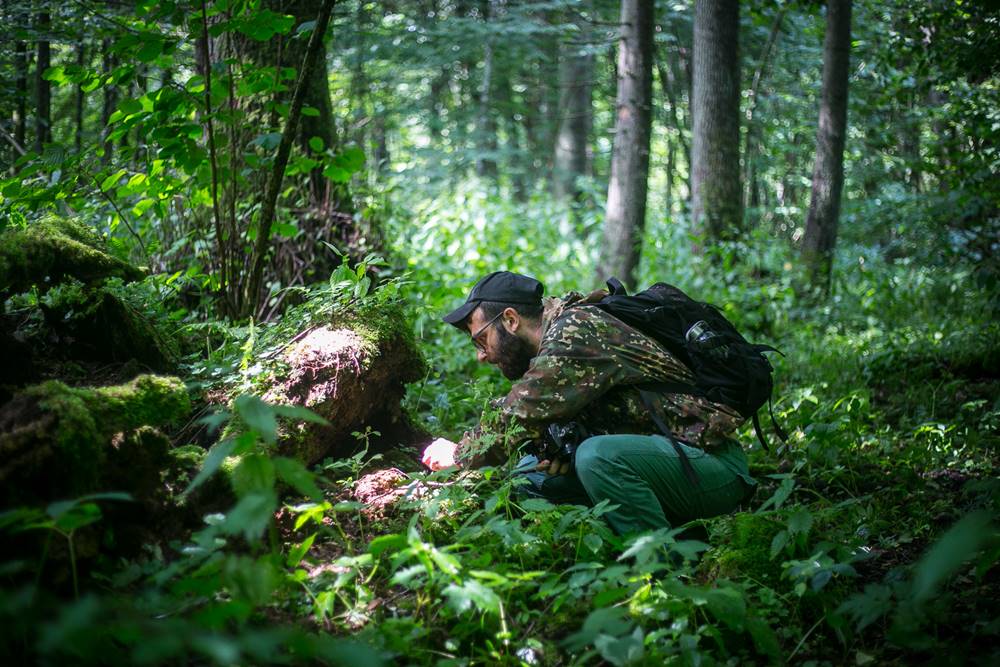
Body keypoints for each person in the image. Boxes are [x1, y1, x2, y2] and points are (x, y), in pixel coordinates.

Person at [421, 271, 756, 536]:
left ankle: (660, 571)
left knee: (597, 457)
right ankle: (660, 535)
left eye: (482, 339)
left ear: (510, 320)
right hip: (666, 463)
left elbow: (519, 412)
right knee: (525, 479)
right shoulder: (560, 337)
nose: (481, 356)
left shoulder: (575, 332)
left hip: (711, 467)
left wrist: (459, 454)